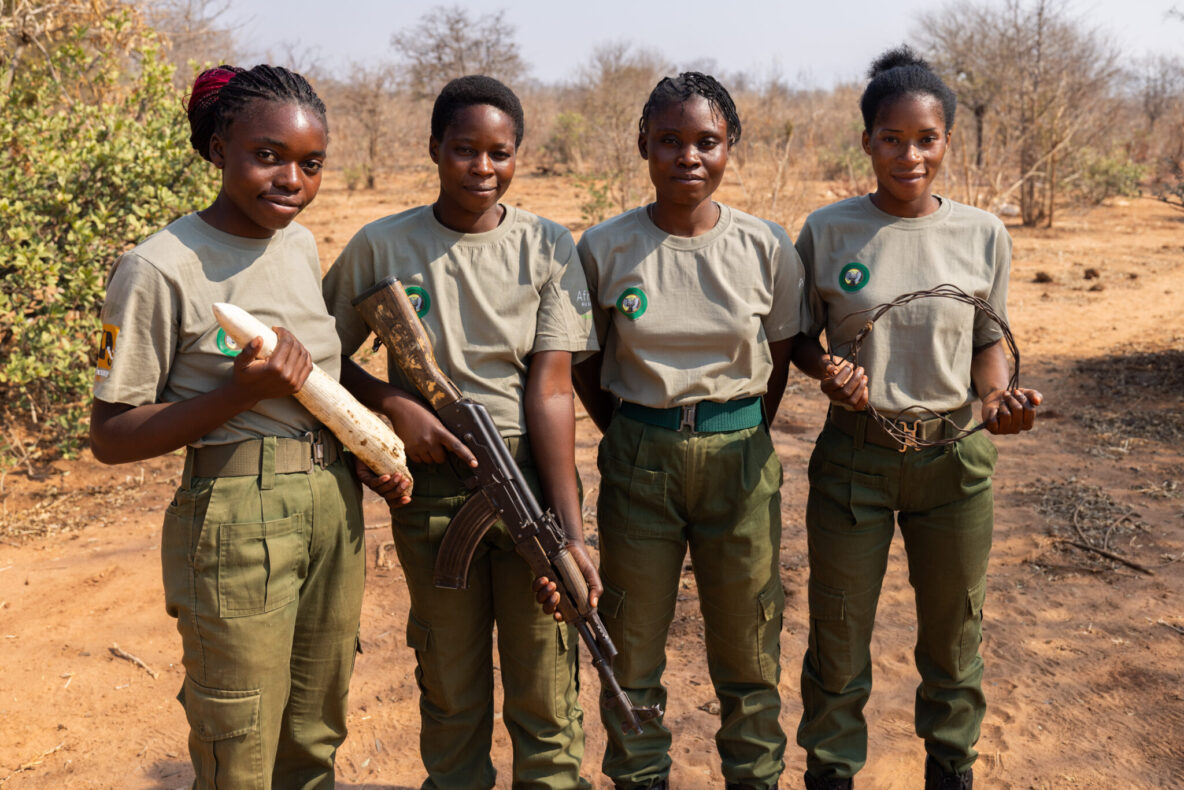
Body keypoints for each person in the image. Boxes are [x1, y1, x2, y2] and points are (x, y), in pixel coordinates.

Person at [89, 65, 366, 788]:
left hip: (333, 505)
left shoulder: (299, 246)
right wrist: (238, 394)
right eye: (267, 156)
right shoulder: (154, 267)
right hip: (237, 520)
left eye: (310, 165)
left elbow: (316, 386)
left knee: (314, 730)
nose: (291, 182)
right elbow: (109, 436)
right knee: (238, 740)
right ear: (218, 149)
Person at [321, 74, 600, 790]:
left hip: (528, 481)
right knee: (451, 688)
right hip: (434, 490)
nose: (483, 168)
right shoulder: (381, 246)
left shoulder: (546, 245)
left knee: (546, 691)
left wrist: (570, 532)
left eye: (499, 152)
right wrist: (393, 403)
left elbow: (553, 389)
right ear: (434, 150)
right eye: (464, 150)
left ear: (519, 155)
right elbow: (320, 356)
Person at [789, 47, 1043, 790]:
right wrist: (827, 371)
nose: (910, 154)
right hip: (854, 460)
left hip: (953, 464)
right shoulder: (829, 231)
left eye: (926, 138)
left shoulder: (982, 233)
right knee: (837, 638)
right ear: (866, 141)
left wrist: (996, 399)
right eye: (892, 138)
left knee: (955, 637)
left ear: (947, 143)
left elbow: (988, 338)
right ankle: (832, 772)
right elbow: (800, 333)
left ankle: (951, 768)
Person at [571, 72, 805, 790]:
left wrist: (733, 428)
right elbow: (587, 362)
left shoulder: (767, 246)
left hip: (741, 456)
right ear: (643, 145)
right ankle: (641, 777)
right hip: (640, 456)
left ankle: (754, 777)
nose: (688, 157)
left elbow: (781, 356)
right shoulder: (604, 248)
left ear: (731, 147)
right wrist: (640, 429)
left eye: (707, 141)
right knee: (632, 647)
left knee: (748, 649)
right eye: (668, 141)